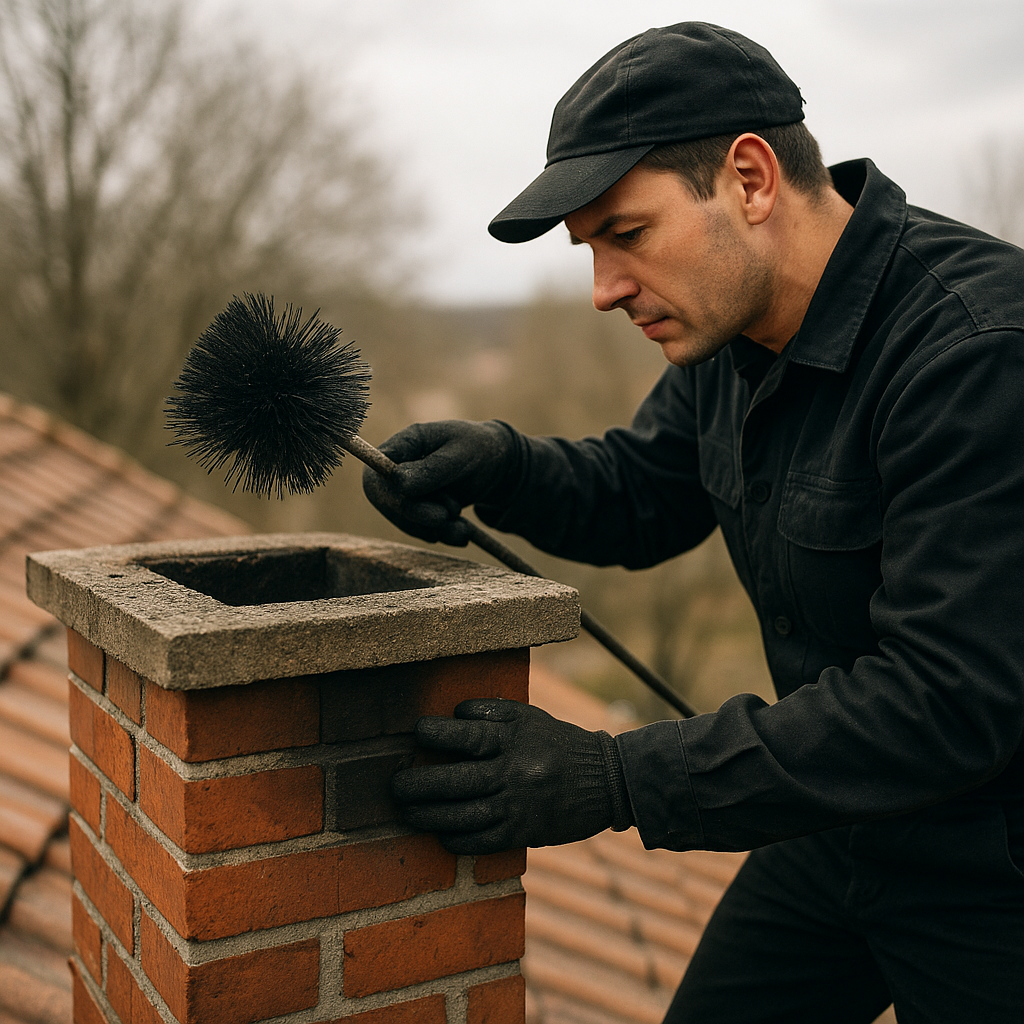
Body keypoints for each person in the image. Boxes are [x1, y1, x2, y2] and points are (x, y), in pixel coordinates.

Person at [363, 22, 1024, 1024]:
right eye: (592, 252)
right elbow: (643, 492)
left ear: (751, 180)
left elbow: (943, 700)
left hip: (993, 869)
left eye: (626, 235)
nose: (603, 291)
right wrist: (502, 465)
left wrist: (612, 776)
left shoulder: (976, 351)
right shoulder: (730, 332)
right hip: (834, 827)